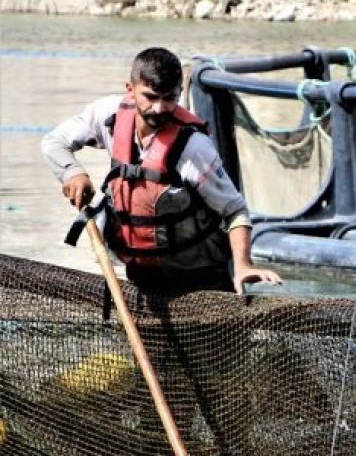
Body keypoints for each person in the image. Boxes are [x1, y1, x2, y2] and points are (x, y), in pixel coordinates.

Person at [42, 47, 282, 296]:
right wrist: (72, 172)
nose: (159, 108)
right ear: (130, 89)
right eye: (150, 97)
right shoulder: (108, 117)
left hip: (201, 282)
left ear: (179, 92)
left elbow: (235, 210)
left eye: (169, 98)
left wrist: (243, 265)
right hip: (142, 278)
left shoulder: (193, 147)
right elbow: (54, 142)